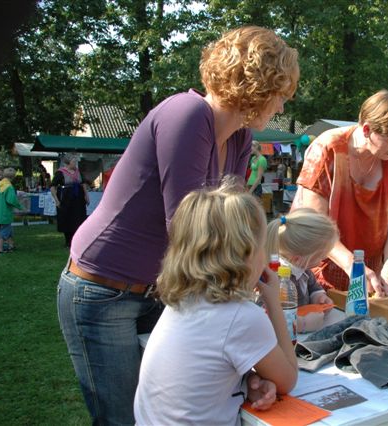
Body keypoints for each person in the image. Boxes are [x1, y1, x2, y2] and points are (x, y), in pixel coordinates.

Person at [57, 26, 299, 425]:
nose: (281, 106)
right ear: (258, 86)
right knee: (122, 419)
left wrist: (250, 373)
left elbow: (233, 227)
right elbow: (192, 232)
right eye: (281, 94)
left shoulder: (240, 139)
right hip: (103, 288)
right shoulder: (186, 114)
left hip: (165, 292)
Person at [134, 184, 297, 425]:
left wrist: (248, 382)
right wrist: (274, 302)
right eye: (262, 246)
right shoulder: (243, 317)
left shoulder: (183, 301)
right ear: (245, 255)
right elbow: (288, 379)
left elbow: (208, 369)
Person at [292, 90, 388, 297]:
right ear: (367, 129)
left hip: (370, 276)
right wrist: (353, 265)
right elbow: (315, 227)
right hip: (319, 272)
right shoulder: (327, 149)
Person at [266, 208, 339, 332]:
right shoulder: (275, 278)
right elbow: (268, 316)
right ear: (298, 259)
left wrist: (319, 297)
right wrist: (302, 324)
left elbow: (313, 287)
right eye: (321, 256)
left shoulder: (304, 269)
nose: (324, 258)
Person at [50, 154, 89, 247]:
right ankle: (68, 241)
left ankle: (77, 240)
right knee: (67, 218)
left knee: (78, 217)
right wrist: (56, 200)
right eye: (73, 161)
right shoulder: (60, 173)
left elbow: (83, 183)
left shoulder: (78, 172)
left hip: (78, 198)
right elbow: (52, 186)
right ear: (68, 162)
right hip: (66, 198)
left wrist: (86, 195)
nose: (75, 163)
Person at [0, 167, 23, 253]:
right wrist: (20, 206)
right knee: (4, 230)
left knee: (8, 229)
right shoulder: (9, 187)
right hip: (6, 212)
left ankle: (11, 245)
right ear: (13, 177)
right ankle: (0, 249)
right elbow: (11, 200)